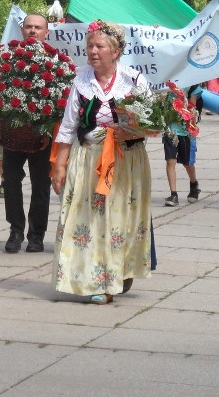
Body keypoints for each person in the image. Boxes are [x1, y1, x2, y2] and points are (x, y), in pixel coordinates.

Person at [50, 20, 153, 305]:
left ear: (116, 51)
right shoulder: (81, 79)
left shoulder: (133, 81)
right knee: (87, 219)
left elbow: (153, 125)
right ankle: (96, 280)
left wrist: (131, 130)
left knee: (120, 220)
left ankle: (117, 273)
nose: (93, 51)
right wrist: (59, 165)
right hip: (89, 158)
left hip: (125, 160)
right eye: (90, 46)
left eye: (100, 46)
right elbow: (69, 125)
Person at [0, 13, 52, 254]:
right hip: (12, 134)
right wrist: (0, 127)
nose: (33, 31)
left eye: (38, 28)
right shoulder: (9, 58)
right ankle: (16, 229)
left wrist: (49, 132)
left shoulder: (55, 62)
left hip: (42, 137)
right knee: (10, 182)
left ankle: (36, 235)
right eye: (29, 27)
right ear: (22, 30)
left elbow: (61, 103)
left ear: (46, 32)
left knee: (41, 185)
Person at [163, 84, 203, 206]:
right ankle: (173, 194)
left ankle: (193, 184)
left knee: (187, 163)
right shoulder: (165, 84)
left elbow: (192, 108)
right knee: (171, 161)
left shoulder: (193, 87)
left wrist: (181, 104)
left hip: (185, 131)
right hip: (170, 130)